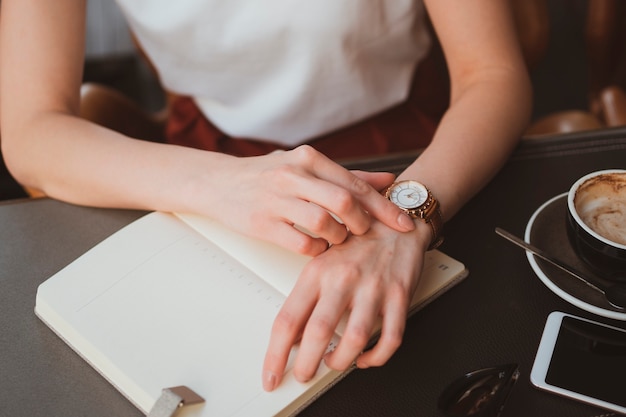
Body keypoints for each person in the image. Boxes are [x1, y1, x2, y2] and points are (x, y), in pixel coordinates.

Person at [0, 0, 532, 392]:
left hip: (408, 152)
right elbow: (30, 129)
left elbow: (493, 73)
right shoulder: (215, 177)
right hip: (209, 167)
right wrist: (219, 183)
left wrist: (409, 212)